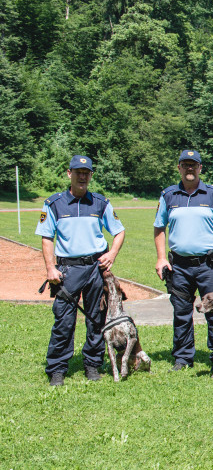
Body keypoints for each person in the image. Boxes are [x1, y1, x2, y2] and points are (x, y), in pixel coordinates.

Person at [36, 155, 126, 386]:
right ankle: (57, 369)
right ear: (69, 174)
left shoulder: (100, 203)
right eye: (78, 172)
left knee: (96, 318)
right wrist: (50, 268)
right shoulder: (54, 203)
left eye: (86, 173)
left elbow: (119, 231)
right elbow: (47, 237)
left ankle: (93, 365)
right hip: (68, 270)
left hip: (95, 268)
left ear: (91, 176)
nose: (82, 176)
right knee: (64, 320)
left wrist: (111, 254)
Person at [153, 150, 213, 370]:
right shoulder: (168, 195)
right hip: (179, 266)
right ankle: (182, 358)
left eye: (194, 165)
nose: (190, 168)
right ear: (179, 167)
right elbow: (159, 228)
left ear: (200, 168)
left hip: (208, 265)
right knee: (181, 313)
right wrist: (161, 258)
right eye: (185, 165)